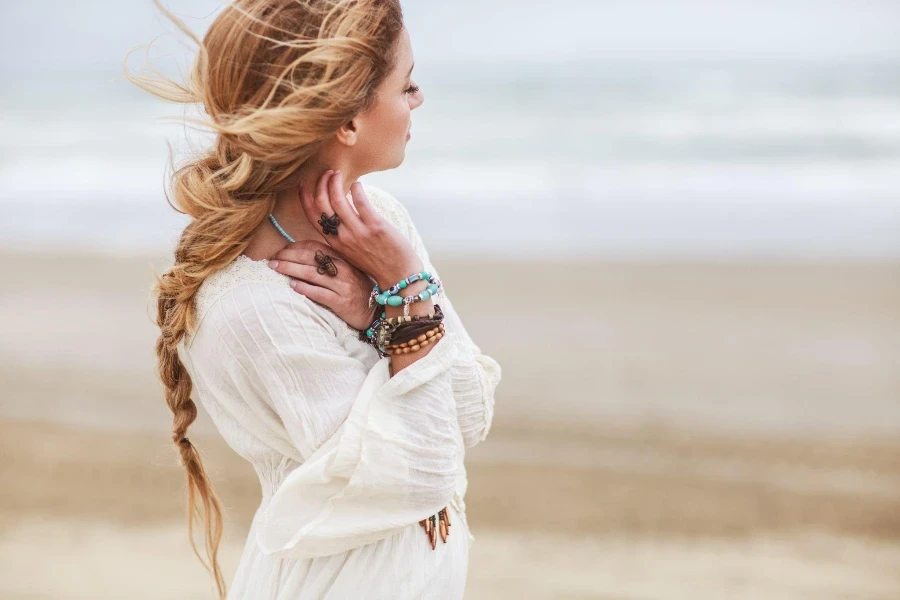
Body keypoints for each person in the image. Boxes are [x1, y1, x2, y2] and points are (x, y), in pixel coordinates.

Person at [125, 1, 502, 598]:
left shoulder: (380, 228)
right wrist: (405, 294)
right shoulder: (253, 308)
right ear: (348, 120)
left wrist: (383, 310)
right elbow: (425, 473)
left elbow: (471, 413)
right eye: (407, 85)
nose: (419, 99)